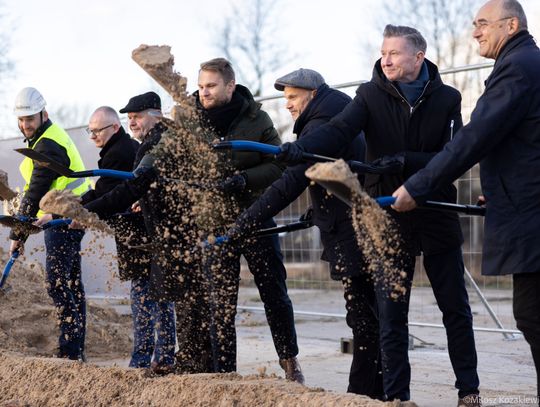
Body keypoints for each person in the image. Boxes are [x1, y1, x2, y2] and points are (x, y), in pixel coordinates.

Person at [276, 26, 480, 404]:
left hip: (435, 211)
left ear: (418, 57)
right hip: (386, 216)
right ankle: (397, 397)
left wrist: (407, 161)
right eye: (383, 52)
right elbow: (338, 130)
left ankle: (469, 390)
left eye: (394, 53)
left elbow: (456, 154)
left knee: (455, 308)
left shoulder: (448, 98)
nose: (385, 59)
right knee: (391, 314)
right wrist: (300, 148)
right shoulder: (369, 95)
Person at [392, 0, 540, 401]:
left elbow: (476, 137)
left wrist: (417, 186)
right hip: (522, 200)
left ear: (511, 25)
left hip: (533, 214)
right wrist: (500, 188)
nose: (475, 32)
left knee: (531, 315)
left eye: (482, 24)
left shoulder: (518, 68)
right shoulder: (526, 63)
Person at [228, 68, 383, 398]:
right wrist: (320, 206)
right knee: (370, 314)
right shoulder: (335, 112)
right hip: (352, 223)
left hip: (351, 232)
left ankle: (363, 396)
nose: (287, 105)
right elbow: (338, 171)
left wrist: (247, 220)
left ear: (312, 94)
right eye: (285, 98)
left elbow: (289, 183)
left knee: (364, 318)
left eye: (292, 97)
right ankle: (376, 391)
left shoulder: (321, 125)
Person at [178, 57, 303, 381]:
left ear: (230, 86)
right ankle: (225, 374)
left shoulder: (256, 117)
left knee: (274, 292)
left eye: (211, 86)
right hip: (213, 223)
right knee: (219, 303)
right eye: (201, 86)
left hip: (255, 217)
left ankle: (290, 362)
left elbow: (277, 164)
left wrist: (243, 179)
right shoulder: (188, 119)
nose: (204, 92)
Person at [83, 93, 176, 373]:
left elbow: (125, 188)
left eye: (137, 116)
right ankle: (146, 357)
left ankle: (162, 357)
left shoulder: (152, 144)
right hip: (142, 228)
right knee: (143, 294)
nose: (133, 122)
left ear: (155, 114)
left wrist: (85, 212)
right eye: (130, 117)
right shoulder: (138, 146)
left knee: (158, 296)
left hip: (156, 232)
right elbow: (137, 188)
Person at [9, 87, 92, 361]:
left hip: (64, 218)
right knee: (71, 283)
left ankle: (69, 351)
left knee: (58, 283)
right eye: (21, 120)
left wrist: (18, 235)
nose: (25, 125)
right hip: (64, 215)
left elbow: (35, 192)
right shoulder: (43, 138)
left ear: (43, 114)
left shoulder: (48, 145)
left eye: (29, 119)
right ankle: (76, 350)